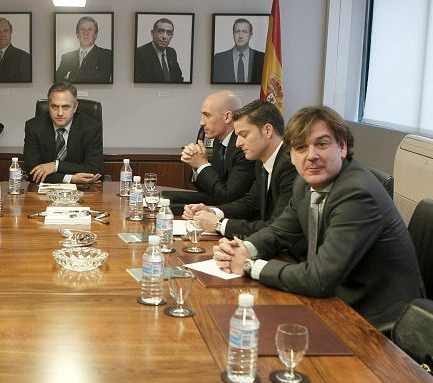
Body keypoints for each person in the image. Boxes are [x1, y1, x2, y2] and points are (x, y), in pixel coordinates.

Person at [214, 106, 424, 328]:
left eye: (321, 144)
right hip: (336, 300)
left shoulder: (357, 193)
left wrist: (249, 266)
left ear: (342, 147)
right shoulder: (304, 183)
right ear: (291, 155)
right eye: (301, 147)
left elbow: (319, 279)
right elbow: (279, 231)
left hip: (377, 319)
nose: (311, 156)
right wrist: (244, 249)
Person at [183, 100, 298, 247]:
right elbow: (250, 203)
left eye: (244, 135)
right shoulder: (261, 161)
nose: (238, 143)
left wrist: (219, 224)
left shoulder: (290, 164)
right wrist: (212, 211)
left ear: (267, 130)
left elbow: (276, 226)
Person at [164, 91, 255, 212]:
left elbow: (227, 197)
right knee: (164, 199)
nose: (201, 122)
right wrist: (196, 166)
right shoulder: (218, 141)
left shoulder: (243, 147)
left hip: (238, 211)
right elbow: (209, 189)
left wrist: (202, 165)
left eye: (207, 115)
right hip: (219, 202)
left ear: (227, 117)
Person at [23, 81, 102, 184]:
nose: (60, 113)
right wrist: (70, 179)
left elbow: (94, 169)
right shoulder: (34, 127)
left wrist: (55, 166)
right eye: (54, 107)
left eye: (65, 107)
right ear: (48, 106)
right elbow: (33, 171)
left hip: (82, 190)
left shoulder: (91, 128)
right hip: (43, 189)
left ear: (75, 107)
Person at [55, 16, 113, 84]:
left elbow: (100, 77)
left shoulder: (106, 54)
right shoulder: (67, 57)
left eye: (90, 29)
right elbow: (58, 77)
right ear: (77, 34)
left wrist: (69, 75)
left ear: (95, 35)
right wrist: (88, 73)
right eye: (82, 29)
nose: (86, 33)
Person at [212, 18, 265, 84]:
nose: (240, 36)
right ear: (233, 34)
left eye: (244, 32)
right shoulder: (219, 59)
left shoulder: (262, 58)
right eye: (237, 31)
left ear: (250, 35)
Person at [134, 18, 184, 83]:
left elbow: (179, 79)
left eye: (169, 33)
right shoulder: (139, 53)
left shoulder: (172, 52)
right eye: (161, 32)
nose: (164, 36)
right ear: (152, 33)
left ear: (172, 36)